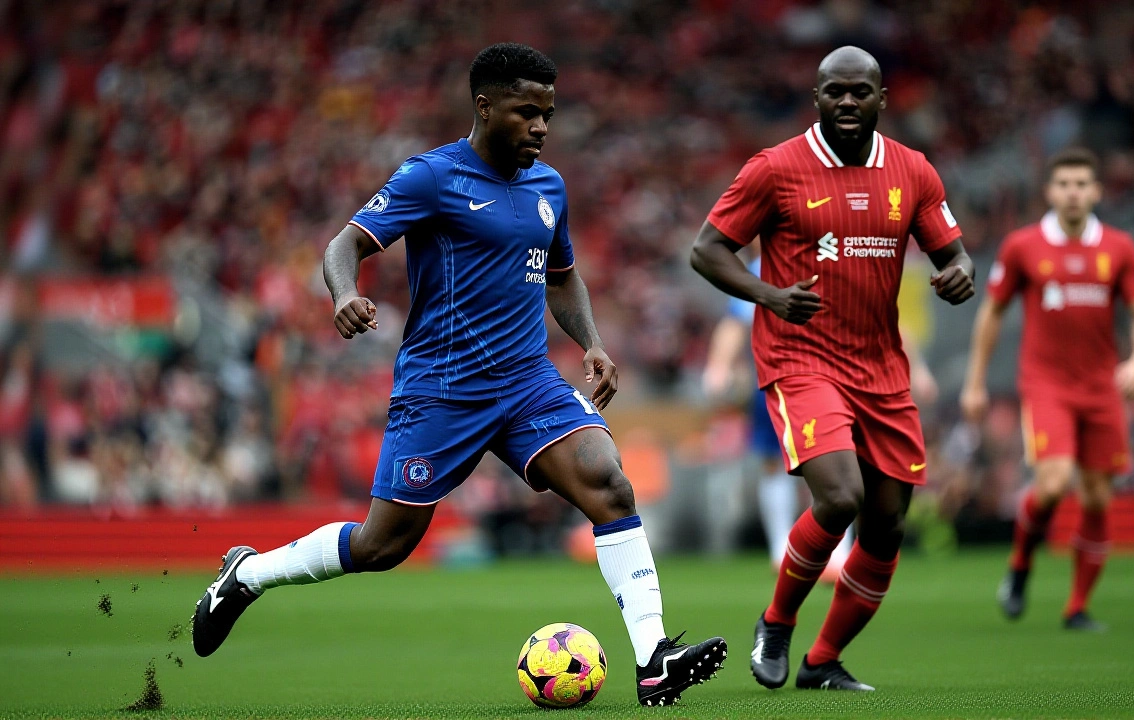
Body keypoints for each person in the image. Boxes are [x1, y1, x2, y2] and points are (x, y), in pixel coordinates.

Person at [191, 43, 726, 708]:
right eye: (527, 112)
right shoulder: (431, 177)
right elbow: (344, 243)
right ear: (485, 106)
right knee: (383, 545)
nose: (540, 127)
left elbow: (562, 277)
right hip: (443, 389)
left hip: (528, 381)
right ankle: (247, 575)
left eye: (548, 115)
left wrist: (592, 342)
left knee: (609, 483)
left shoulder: (548, 187)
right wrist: (342, 294)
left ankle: (654, 660)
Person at [690, 46, 974, 692]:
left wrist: (960, 274)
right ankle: (777, 620)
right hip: (801, 359)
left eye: (860, 92)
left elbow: (955, 254)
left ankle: (822, 660)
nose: (847, 102)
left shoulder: (913, 171)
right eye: (835, 92)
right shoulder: (776, 168)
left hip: (881, 366)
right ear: (816, 98)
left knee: (888, 523)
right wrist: (768, 297)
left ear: (881, 99)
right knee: (840, 495)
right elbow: (707, 251)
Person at [961, 148, 1134, 632]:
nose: (1073, 192)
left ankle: (1077, 607)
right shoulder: (1023, 246)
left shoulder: (1120, 248)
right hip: (1046, 384)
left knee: (1095, 499)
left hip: (1101, 386)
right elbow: (991, 313)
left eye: (1081, 184)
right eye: (1064, 184)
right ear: (1049, 192)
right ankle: (1021, 562)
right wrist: (975, 382)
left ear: (1096, 191)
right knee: (1052, 482)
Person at [702, 254, 939, 577]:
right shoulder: (766, 266)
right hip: (777, 377)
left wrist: (919, 370)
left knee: (840, 460)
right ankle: (780, 549)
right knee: (774, 461)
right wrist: (719, 366)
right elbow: (736, 321)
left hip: (840, 377)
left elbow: (886, 315)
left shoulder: (848, 260)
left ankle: (838, 553)